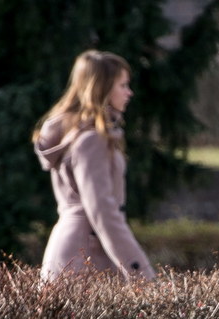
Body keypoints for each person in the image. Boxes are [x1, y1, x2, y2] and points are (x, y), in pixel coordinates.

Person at [33, 50, 156, 282]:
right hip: (85, 256)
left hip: (77, 249)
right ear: (103, 88)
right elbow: (102, 210)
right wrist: (141, 273)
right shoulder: (92, 140)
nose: (129, 93)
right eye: (123, 85)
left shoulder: (81, 134)